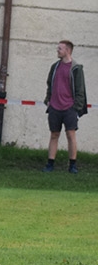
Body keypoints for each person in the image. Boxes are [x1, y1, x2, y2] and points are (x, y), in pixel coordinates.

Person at [43, 40, 88, 174]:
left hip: (69, 108)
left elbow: (80, 90)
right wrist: (48, 100)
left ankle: (72, 165)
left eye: (60, 49)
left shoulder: (76, 68)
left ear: (68, 50)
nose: (57, 51)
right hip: (54, 107)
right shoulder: (55, 67)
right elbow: (49, 84)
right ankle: (50, 164)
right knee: (54, 134)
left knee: (70, 135)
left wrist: (76, 108)